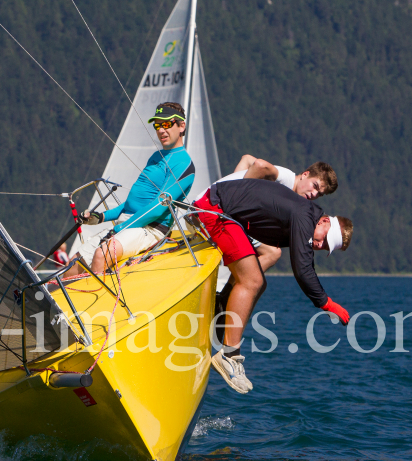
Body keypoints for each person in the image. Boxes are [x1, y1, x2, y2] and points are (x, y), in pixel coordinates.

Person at [193, 178, 353, 394]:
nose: (319, 245)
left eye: (325, 247)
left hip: (223, 212)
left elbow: (305, 261)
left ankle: (222, 306)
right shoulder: (304, 216)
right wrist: (326, 303)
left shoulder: (306, 217)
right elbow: (303, 269)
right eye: (324, 240)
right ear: (324, 222)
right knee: (252, 280)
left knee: (259, 283)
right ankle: (228, 355)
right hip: (214, 209)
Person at [212, 157, 340, 342]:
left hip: (233, 213)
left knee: (261, 280)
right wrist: (239, 192)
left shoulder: (294, 201)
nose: (313, 194)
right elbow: (257, 164)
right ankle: (225, 298)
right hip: (224, 208)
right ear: (304, 174)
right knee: (272, 253)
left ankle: (226, 297)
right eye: (314, 186)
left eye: (319, 194)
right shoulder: (287, 179)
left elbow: (247, 158)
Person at [65, 102, 195, 277]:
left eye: (166, 124)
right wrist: (101, 217)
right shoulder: (156, 157)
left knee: (101, 255)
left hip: (150, 229)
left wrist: (121, 228)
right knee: (71, 268)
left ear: (181, 126)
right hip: (129, 223)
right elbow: (130, 204)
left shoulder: (183, 163)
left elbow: (159, 207)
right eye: (157, 125)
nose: (161, 130)